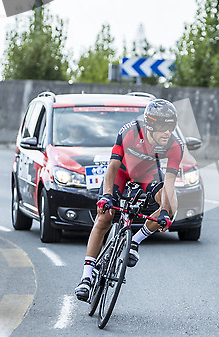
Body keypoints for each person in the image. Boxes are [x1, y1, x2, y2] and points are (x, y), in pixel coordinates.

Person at [75, 99, 184, 301]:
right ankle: (86, 278)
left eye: (171, 127)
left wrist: (165, 211)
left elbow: (169, 182)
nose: (167, 132)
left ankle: (134, 242)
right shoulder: (129, 132)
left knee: (172, 205)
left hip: (148, 174)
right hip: (122, 172)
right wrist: (107, 196)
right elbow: (112, 167)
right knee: (105, 217)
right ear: (150, 124)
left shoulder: (176, 145)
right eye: (162, 127)